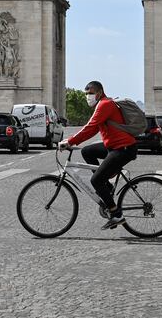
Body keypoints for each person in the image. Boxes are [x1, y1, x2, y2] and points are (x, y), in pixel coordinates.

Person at [58, 81, 137, 230]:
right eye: (86, 93)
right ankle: (106, 187)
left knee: (96, 180)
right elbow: (94, 130)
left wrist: (70, 141)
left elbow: (90, 127)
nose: (88, 96)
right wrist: (74, 142)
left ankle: (116, 214)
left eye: (91, 93)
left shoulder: (105, 104)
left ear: (100, 92)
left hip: (123, 148)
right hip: (114, 146)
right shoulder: (101, 105)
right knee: (87, 151)